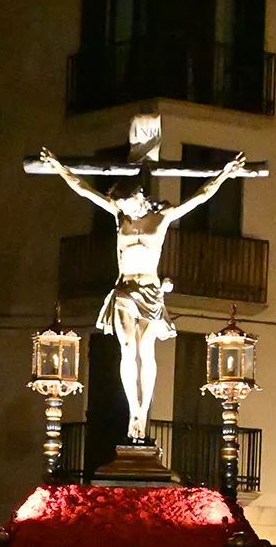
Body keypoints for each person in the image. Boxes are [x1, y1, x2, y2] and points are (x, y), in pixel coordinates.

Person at [39, 143, 245, 441]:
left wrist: (225, 174)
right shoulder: (119, 216)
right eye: (121, 206)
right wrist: (58, 167)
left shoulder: (162, 218)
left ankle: (143, 412)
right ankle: (132, 408)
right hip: (124, 290)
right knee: (127, 350)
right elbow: (84, 190)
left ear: (139, 197)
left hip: (150, 292)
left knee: (145, 351)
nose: (125, 210)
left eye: (128, 205)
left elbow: (199, 198)